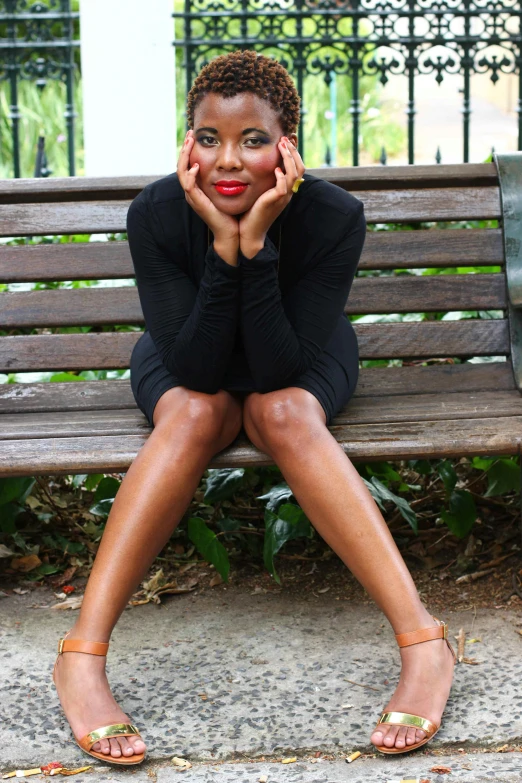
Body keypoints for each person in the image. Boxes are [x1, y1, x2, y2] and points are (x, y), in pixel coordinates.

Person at [51, 49, 456, 766]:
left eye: (253, 139)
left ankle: (425, 642)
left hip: (302, 349)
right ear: (188, 144)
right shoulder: (154, 213)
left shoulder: (333, 217)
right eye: (208, 139)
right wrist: (219, 243)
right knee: (197, 412)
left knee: (283, 413)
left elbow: (277, 366)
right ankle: (81, 655)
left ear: (288, 146)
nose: (227, 160)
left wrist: (257, 242)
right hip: (183, 350)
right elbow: (198, 366)